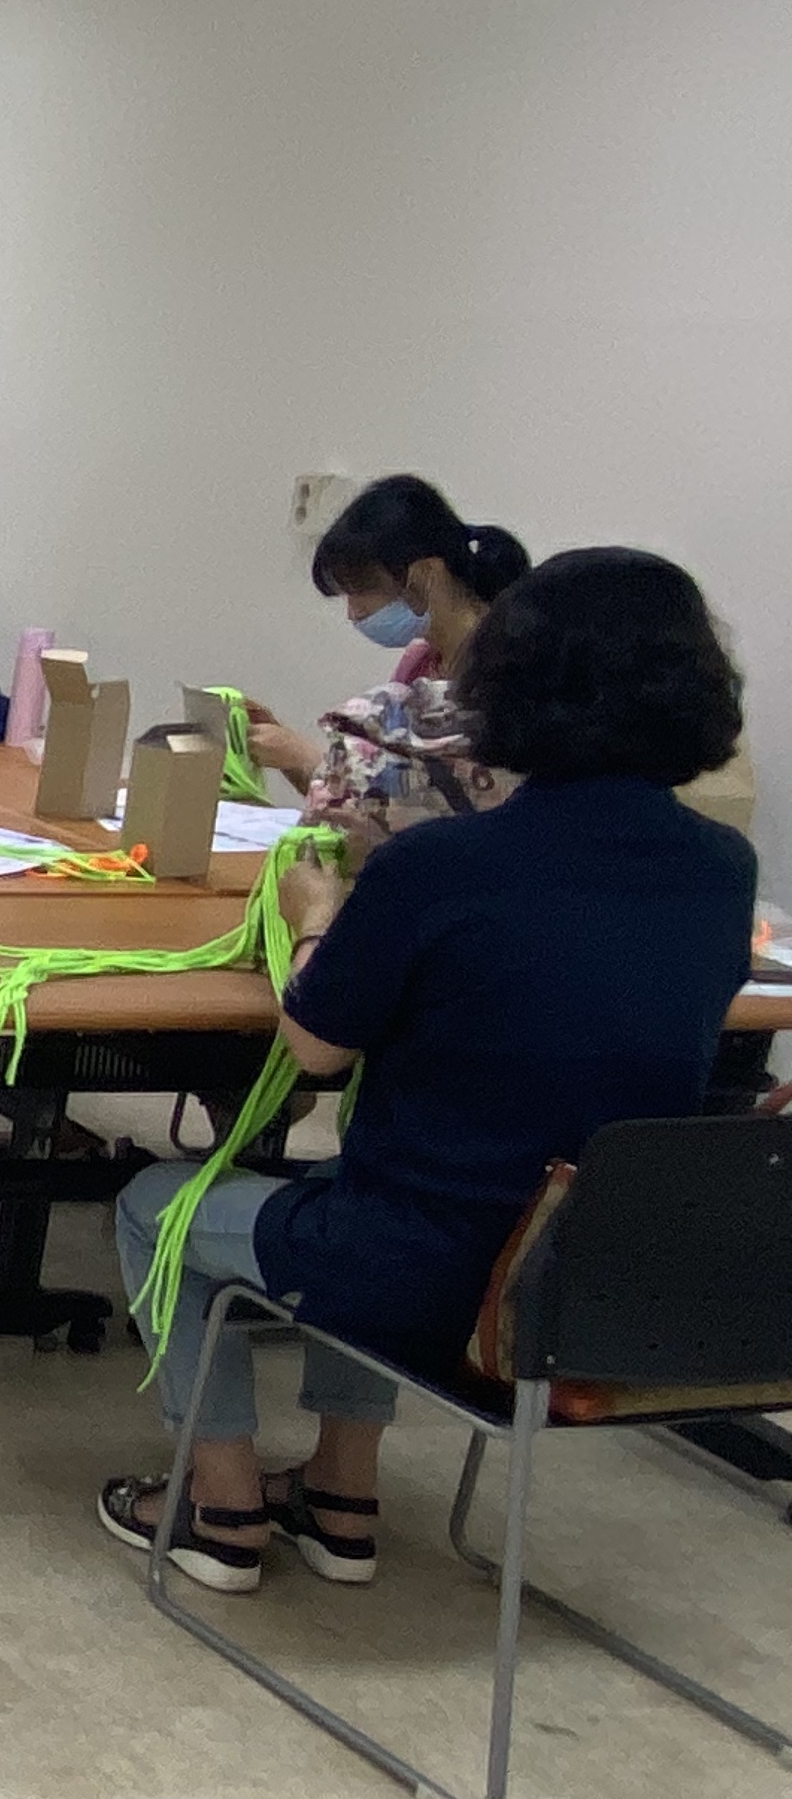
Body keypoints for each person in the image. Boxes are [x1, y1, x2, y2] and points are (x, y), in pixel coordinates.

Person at [103, 548, 754, 1594]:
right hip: (584, 1282)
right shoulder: (723, 867)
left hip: (430, 1273)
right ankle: (340, 1494)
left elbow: (315, 1045)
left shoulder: (442, 864)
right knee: (365, 1184)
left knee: (155, 1207)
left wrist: (320, 914)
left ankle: (218, 1505)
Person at [232, 476, 526, 854]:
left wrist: (305, 756)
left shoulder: (508, 668)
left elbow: (445, 807)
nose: (354, 614)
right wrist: (294, 758)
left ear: (425, 575)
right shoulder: (419, 665)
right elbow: (377, 807)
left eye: (360, 593)